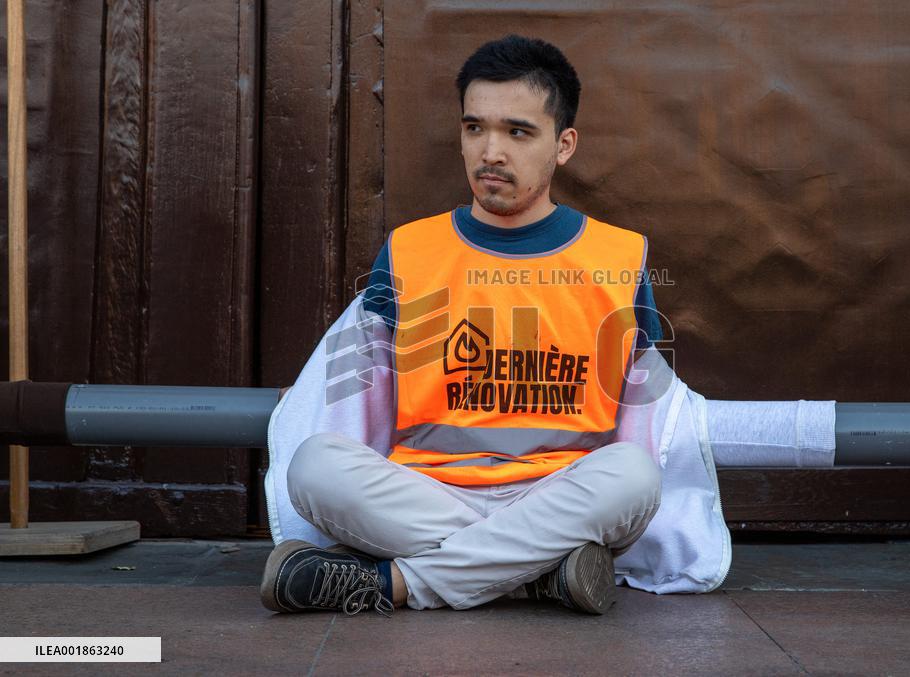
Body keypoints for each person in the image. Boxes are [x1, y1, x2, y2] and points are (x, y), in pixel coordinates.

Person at [259, 35, 834, 617]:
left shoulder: (620, 258)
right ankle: (538, 575)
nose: (490, 152)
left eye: (517, 131)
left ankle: (395, 586)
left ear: (564, 145)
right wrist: (306, 399)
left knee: (634, 476)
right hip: (426, 494)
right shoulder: (408, 250)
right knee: (315, 465)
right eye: (474, 128)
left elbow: (653, 411)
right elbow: (358, 380)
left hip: (563, 494)